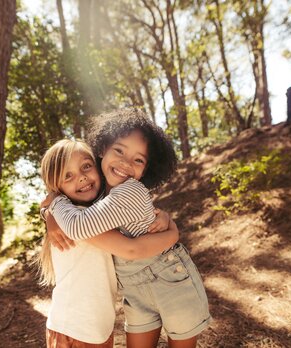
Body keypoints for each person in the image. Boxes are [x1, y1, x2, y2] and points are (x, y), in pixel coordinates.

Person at [45, 109, 212, 348]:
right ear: (102, 149)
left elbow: (79, 227)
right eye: (120, 151)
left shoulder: (130, 190)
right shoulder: (100, 193)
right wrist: (48, 212)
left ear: (146, 170)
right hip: (133, 288)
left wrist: (54, 202)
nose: (125, 163)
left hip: (170, 280)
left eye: (138, 159)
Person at [38, 138, 179, 348]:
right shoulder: (78, 224)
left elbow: (136, 220)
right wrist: (173, 233)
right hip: (76, 331)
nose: (82, 177)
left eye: (86, 166)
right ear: (56, 187)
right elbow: (132, 248)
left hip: (95, 329)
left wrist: (163, 217)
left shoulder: (95, 214)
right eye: (68, 176)